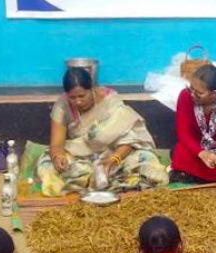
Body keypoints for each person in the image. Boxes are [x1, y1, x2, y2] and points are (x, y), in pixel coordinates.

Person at [36, 67, 168, 195]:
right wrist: (58, 157)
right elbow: (57, 144)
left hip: (117, 154)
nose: (78, 101)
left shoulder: (110, 100)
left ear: (92, 88)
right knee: (47, 165)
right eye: (72, 97)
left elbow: (130, 139)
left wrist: (113, 160)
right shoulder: (62, 105)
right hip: (82, 156)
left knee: (148, 162)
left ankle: (96, 180)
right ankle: (99, 180)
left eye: (82, 95)